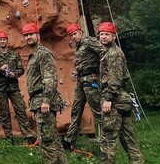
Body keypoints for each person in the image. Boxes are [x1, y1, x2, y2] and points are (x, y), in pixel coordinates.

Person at [98, 21, 144, 164]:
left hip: (115, 100)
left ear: (114, 36)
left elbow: (115, 78)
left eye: (107, 34)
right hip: (122, 100)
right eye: (101, 34)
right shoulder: (108, 52)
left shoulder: (113, 54)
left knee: (108, 140)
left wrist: (108, 98)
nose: (103, 37)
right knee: (128, 138)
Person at [23, 22, 67, 164]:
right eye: (26, 35)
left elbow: (50, 78)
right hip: (38, 100)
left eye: (31, 34)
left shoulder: (43, 54)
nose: (28, 37)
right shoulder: (34, 54)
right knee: (53, 139)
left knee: (47, 142)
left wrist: (45, 101)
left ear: (38, 36)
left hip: (44, 99)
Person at [0, 30, 36, 145]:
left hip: (13, 87)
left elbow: (21, 70)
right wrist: (0, 69)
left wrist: (14, 74)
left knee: (21, 110)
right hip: (1, 88)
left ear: (7, 41)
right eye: (0, 40)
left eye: (4, 39)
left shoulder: (14, 55)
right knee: (4, 113)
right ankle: (9, 137)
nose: (2, 41)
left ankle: (28, 136)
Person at [62, 22, 103, 151]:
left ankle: (109, 137)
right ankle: (69, 140)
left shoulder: (89, 41)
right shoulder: (79, 46)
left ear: (80, 31)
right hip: (81, 80)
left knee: (97, 109)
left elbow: (104, 52)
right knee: (76, 110)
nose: (73, 37)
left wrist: (100, 73)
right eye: (71, 35)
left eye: (74, 34)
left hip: (91, 79)